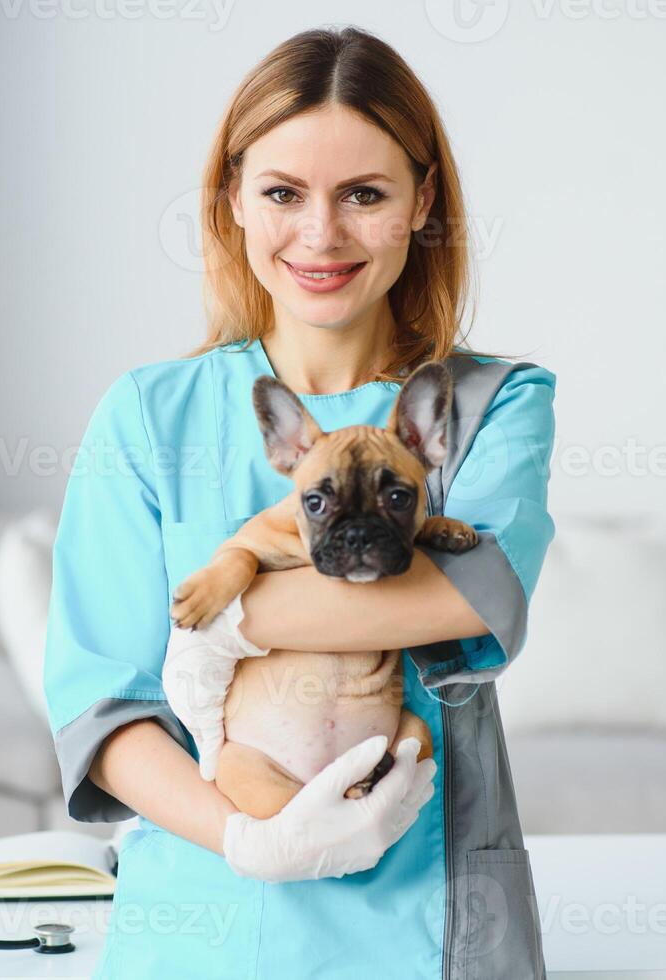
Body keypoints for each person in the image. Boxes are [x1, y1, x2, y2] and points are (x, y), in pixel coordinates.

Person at [43, 25, 556, 979]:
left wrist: (215, 612)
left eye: (365, 194)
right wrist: (249, 840)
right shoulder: (147, 415)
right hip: (207, 916)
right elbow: (106, 709)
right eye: (283, 192)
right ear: (233, 197)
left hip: (427, 922)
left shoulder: (492, 402)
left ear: (422, 202)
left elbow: (464, 600)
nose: (321, 235)